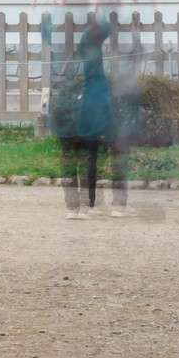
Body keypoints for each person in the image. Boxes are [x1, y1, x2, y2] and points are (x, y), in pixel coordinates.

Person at [56, 15, 129, 218]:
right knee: (96, 158)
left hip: (74, 120)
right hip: (90, 119)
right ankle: (102, 205)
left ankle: (79, 206)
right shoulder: (93, 67)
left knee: (75, 161)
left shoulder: (78, 63)